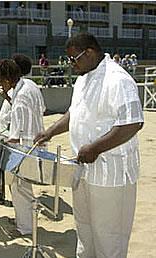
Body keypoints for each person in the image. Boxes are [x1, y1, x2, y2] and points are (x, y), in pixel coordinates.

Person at [34, 32, 144, 258]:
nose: (72, 64)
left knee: (108, 235)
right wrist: (50, 132)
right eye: (69, 60)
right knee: (84, 229)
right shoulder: (83, 78)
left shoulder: (118, 80)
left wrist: (95, 148)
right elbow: (75, 113)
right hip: (83, 170)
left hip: (110, 174)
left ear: (91, 52)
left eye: (75, 59)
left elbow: (132, 122)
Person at [0, 59, 46, 236]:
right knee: (22, 188)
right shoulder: (30, 85)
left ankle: (25, 228)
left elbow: (16, 137)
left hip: (25, 149)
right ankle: (24, 221)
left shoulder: (21, 99)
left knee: (19, 188)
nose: (2, 85)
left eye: (2, 81)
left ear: (8, 80)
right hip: (34, 144)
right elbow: (42, 109)